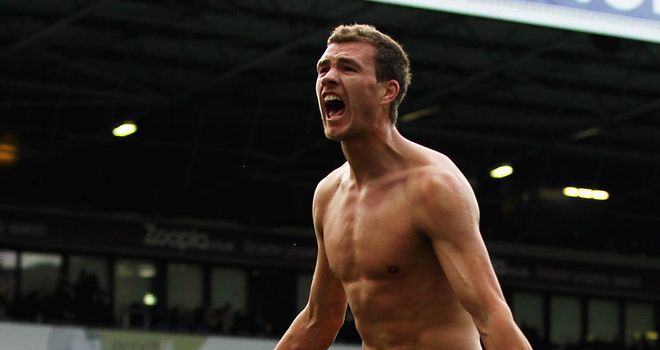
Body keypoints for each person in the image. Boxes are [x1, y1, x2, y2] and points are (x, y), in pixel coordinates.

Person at [275, 24, 532, 350]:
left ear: (387, 91)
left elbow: (492, 317)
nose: (328, 77)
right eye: (323, 68)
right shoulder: (328, 195)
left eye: (348, 67)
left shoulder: (432, 186)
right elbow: (320, 319)